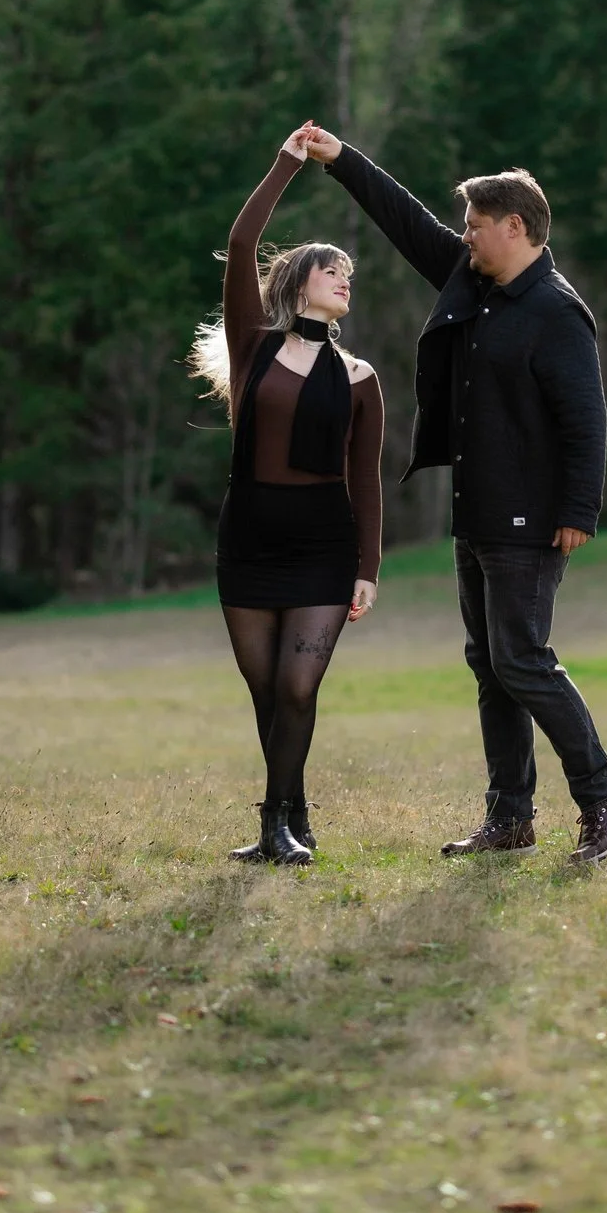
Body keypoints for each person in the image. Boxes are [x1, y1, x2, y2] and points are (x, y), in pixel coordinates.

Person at [292, 123, 607, 866]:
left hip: (533, 519)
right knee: (491, 664)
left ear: (515, 227)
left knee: (522, 658)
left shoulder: (556, 310)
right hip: (478, 511)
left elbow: (587, 421)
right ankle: (510, 818)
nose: (466, 238)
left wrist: (579, 510)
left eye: (477, 227)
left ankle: (606, 795)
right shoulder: (475, 283)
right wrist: (341, 161)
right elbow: (406, 220)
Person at [188, 125, 385, 866]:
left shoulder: (362, 377)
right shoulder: (255, 345)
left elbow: (364, 478)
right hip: (250, 538)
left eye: (349, 276)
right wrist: (287, 164)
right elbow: (242, 244)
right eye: (333, 270)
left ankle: (276, 823)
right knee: (267, 690)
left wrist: (368, 566)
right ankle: (292, 812)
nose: (345, 281)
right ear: (300, 279)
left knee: (298, 686)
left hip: (324, 547)